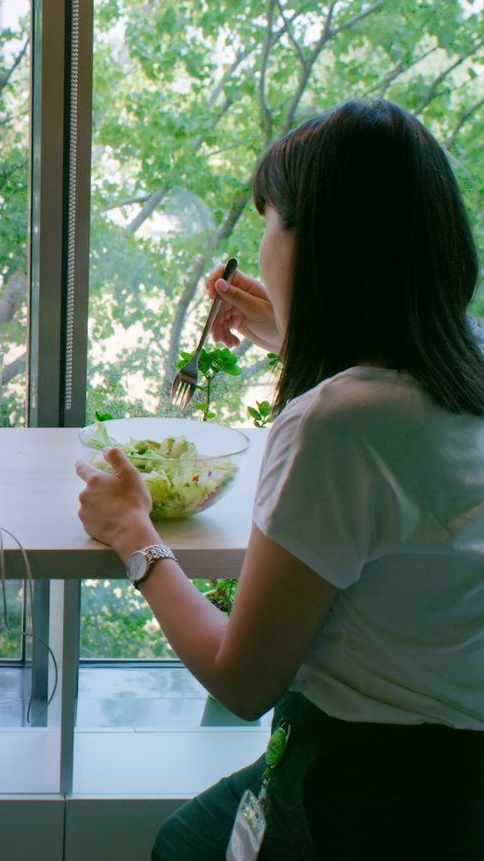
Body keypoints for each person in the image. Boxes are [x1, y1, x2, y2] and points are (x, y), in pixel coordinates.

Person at [76, 99, 484, 859]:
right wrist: (291, 330)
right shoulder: (468, 361)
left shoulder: (335, 426)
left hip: (359, 793)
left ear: (316, 246)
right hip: (461, 791)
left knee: (180, 846)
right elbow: (394, 400)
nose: (260, 246)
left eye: (270, 222)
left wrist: (131, 532)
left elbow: (243, 680)